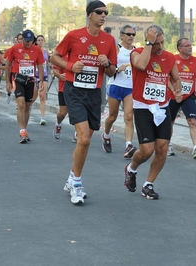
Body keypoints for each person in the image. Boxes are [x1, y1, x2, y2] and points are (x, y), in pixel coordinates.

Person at [50, 0, 117, 204]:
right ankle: (77, 184)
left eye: (106, 12)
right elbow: (54, 57)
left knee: (85, 138)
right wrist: (70, 66)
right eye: (99, 12)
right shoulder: (73, 35)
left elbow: (112, 72)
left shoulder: (109, 40)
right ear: (90, 15)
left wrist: (107, 64)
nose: (103, 15)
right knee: (85, 139)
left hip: (94, 93)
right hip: (74, 91)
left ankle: (72, 177)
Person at [123, 25, 182, 200]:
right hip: (142, 107)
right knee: (147, 150)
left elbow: (176, 78)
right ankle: (131, 168)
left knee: (162, 149)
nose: (161, 47)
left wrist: (177, 90)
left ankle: (148, 184)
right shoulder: (137, 53)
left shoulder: (169, 57)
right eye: (157, 44)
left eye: (162, 42)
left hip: (162, 107)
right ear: (148, 42)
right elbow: (140, 66)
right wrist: (149, 45)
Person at [167, 38, 196, 159]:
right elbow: (166, 77)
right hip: (173, 96)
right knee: (170, 122)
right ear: (180, 49)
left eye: (191, 45)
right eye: (187, 45)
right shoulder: (173, 59)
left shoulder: (195, 61)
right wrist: (173, 90)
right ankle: (167, 144)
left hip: (188, 96)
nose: (190, 47)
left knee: (193, 121)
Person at [102, 24, 137, 158]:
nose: (131, 37)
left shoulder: (136, 51)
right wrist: (117, 69)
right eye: (128, 34)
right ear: (122, 35)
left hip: (130, 87)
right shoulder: (117, 49)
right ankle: (106, 135)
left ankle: (128, 145)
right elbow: (108, 68)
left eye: (133, 34)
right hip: (115, 85)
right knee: (112, 116)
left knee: (129, 117)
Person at [5, 29, 45, 143]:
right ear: (22, 39)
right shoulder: (15, 49)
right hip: (18, 79)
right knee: (21, 104)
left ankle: (25, 129)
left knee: (27, 106)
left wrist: (40, 80)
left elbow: (40, 66)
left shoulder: (37, 50)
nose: (28, 43)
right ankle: (22, 131)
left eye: (30, 41)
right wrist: (7, 82)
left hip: (31, 80)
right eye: (26, 41)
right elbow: (8, 65)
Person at [52, 54, 77, 141]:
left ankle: (77, 133)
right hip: (64, 89)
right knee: (62, 113)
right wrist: (59, 75)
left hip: (78, 89)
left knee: (77, 112)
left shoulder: (81, 55)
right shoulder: (62, 56)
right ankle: (58, 124)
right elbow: (55, 70)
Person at [34, 35, 50, 125]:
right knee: (33, 97)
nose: (40, 42)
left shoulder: (46, 52)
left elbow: (47, 62)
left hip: (44, 75)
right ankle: (28, 108)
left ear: (44, 41)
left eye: (42, 40)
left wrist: (48, 65)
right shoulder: (34, 51)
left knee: (42, 96)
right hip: (35, 76)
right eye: (38, 40)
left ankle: (43, 117)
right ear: (36, 41)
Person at [4, 33, 22, 104]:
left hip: (19, 71)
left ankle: (18, 99)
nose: (15, 42)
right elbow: (5, 59)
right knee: (10, 86)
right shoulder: (10, 50)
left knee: (16, 87)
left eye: (16, 41)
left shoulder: (23, 50)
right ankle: (8, 94)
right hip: (11, 70)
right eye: (14, 41)